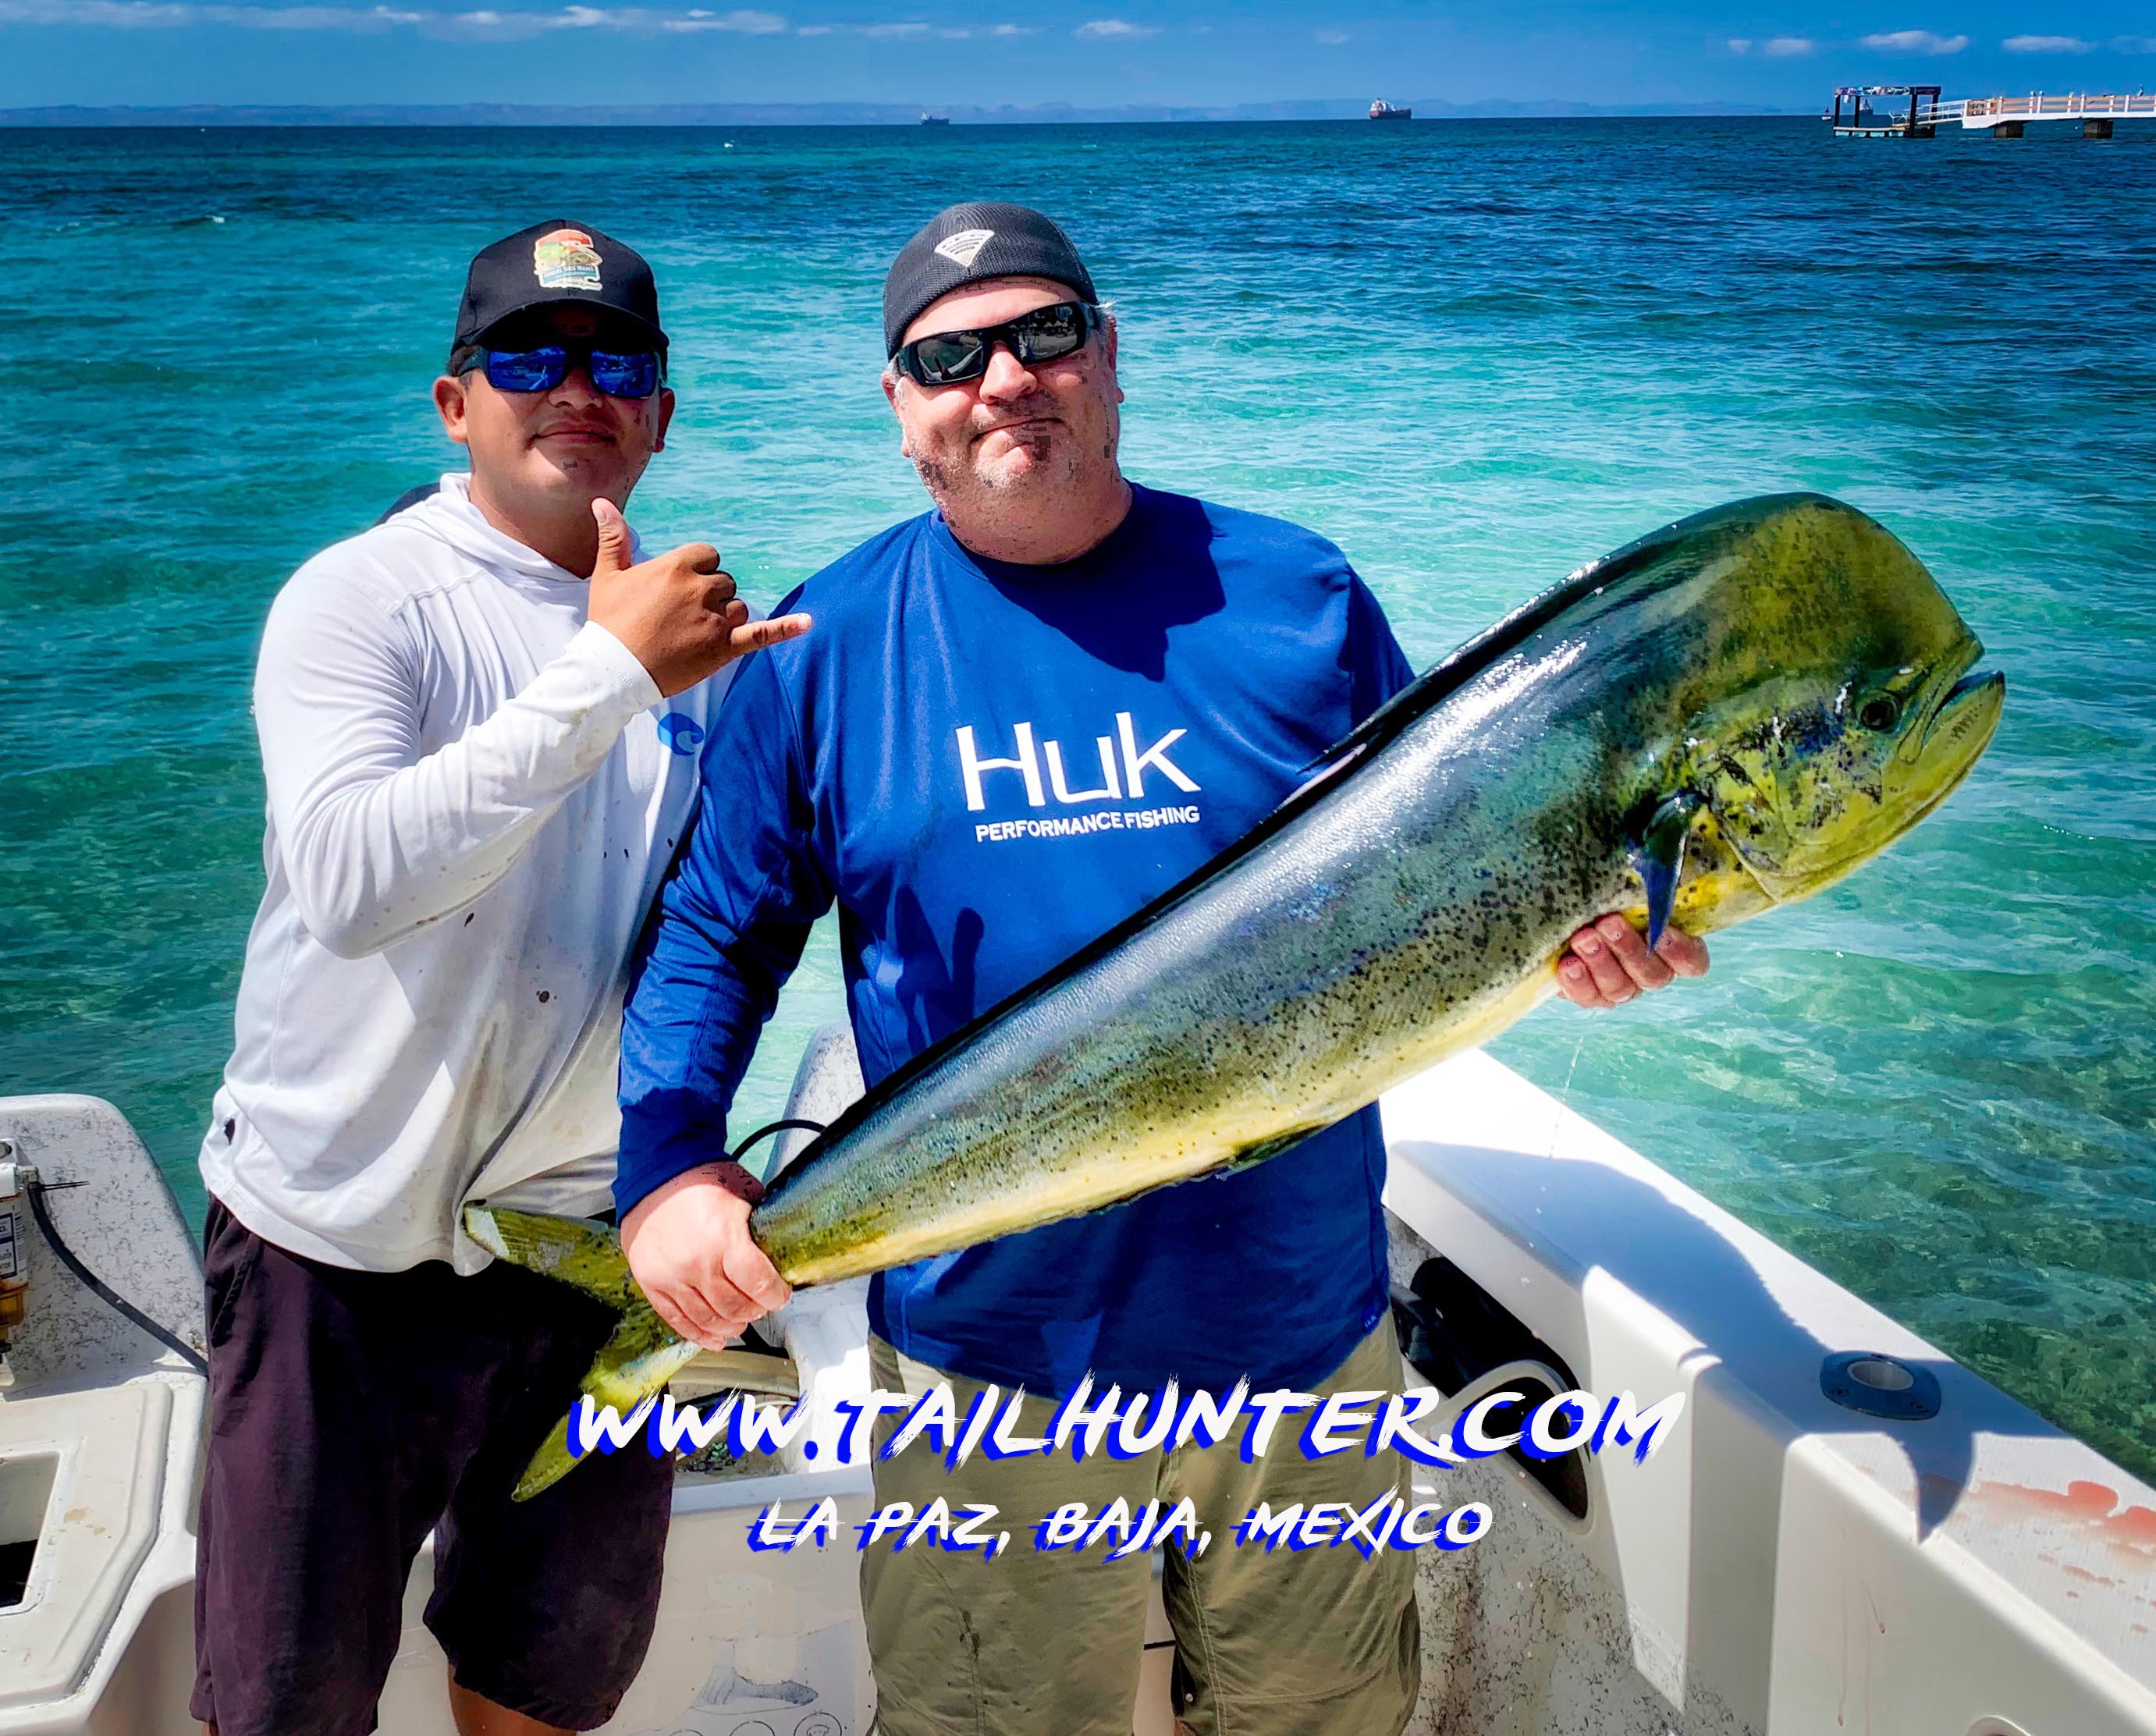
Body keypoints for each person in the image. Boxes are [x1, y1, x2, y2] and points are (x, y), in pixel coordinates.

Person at [613, 202, 1706, 1735]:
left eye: (1044, 332)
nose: (1005, 378)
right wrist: (668, 1162)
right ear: (898, 405)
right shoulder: (823, 643)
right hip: (987, 1370)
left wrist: (1577, 942)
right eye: (951, 356)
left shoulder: (1298, 596)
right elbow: (718, 933)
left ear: (1110, 353)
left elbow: (1460, 871)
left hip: (1301, 1346)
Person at [190, 218, 806, 1736]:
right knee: (279, 1703)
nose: (576, 389)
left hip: (583, 1248)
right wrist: (610, 676)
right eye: (528, 357)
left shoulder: (709, 637)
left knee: (548, 1675)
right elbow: (352, 883)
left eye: (618, 365)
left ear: (661, 413)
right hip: (335, 1240)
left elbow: (729, 929)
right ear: (456, 402)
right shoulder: (359, 597)